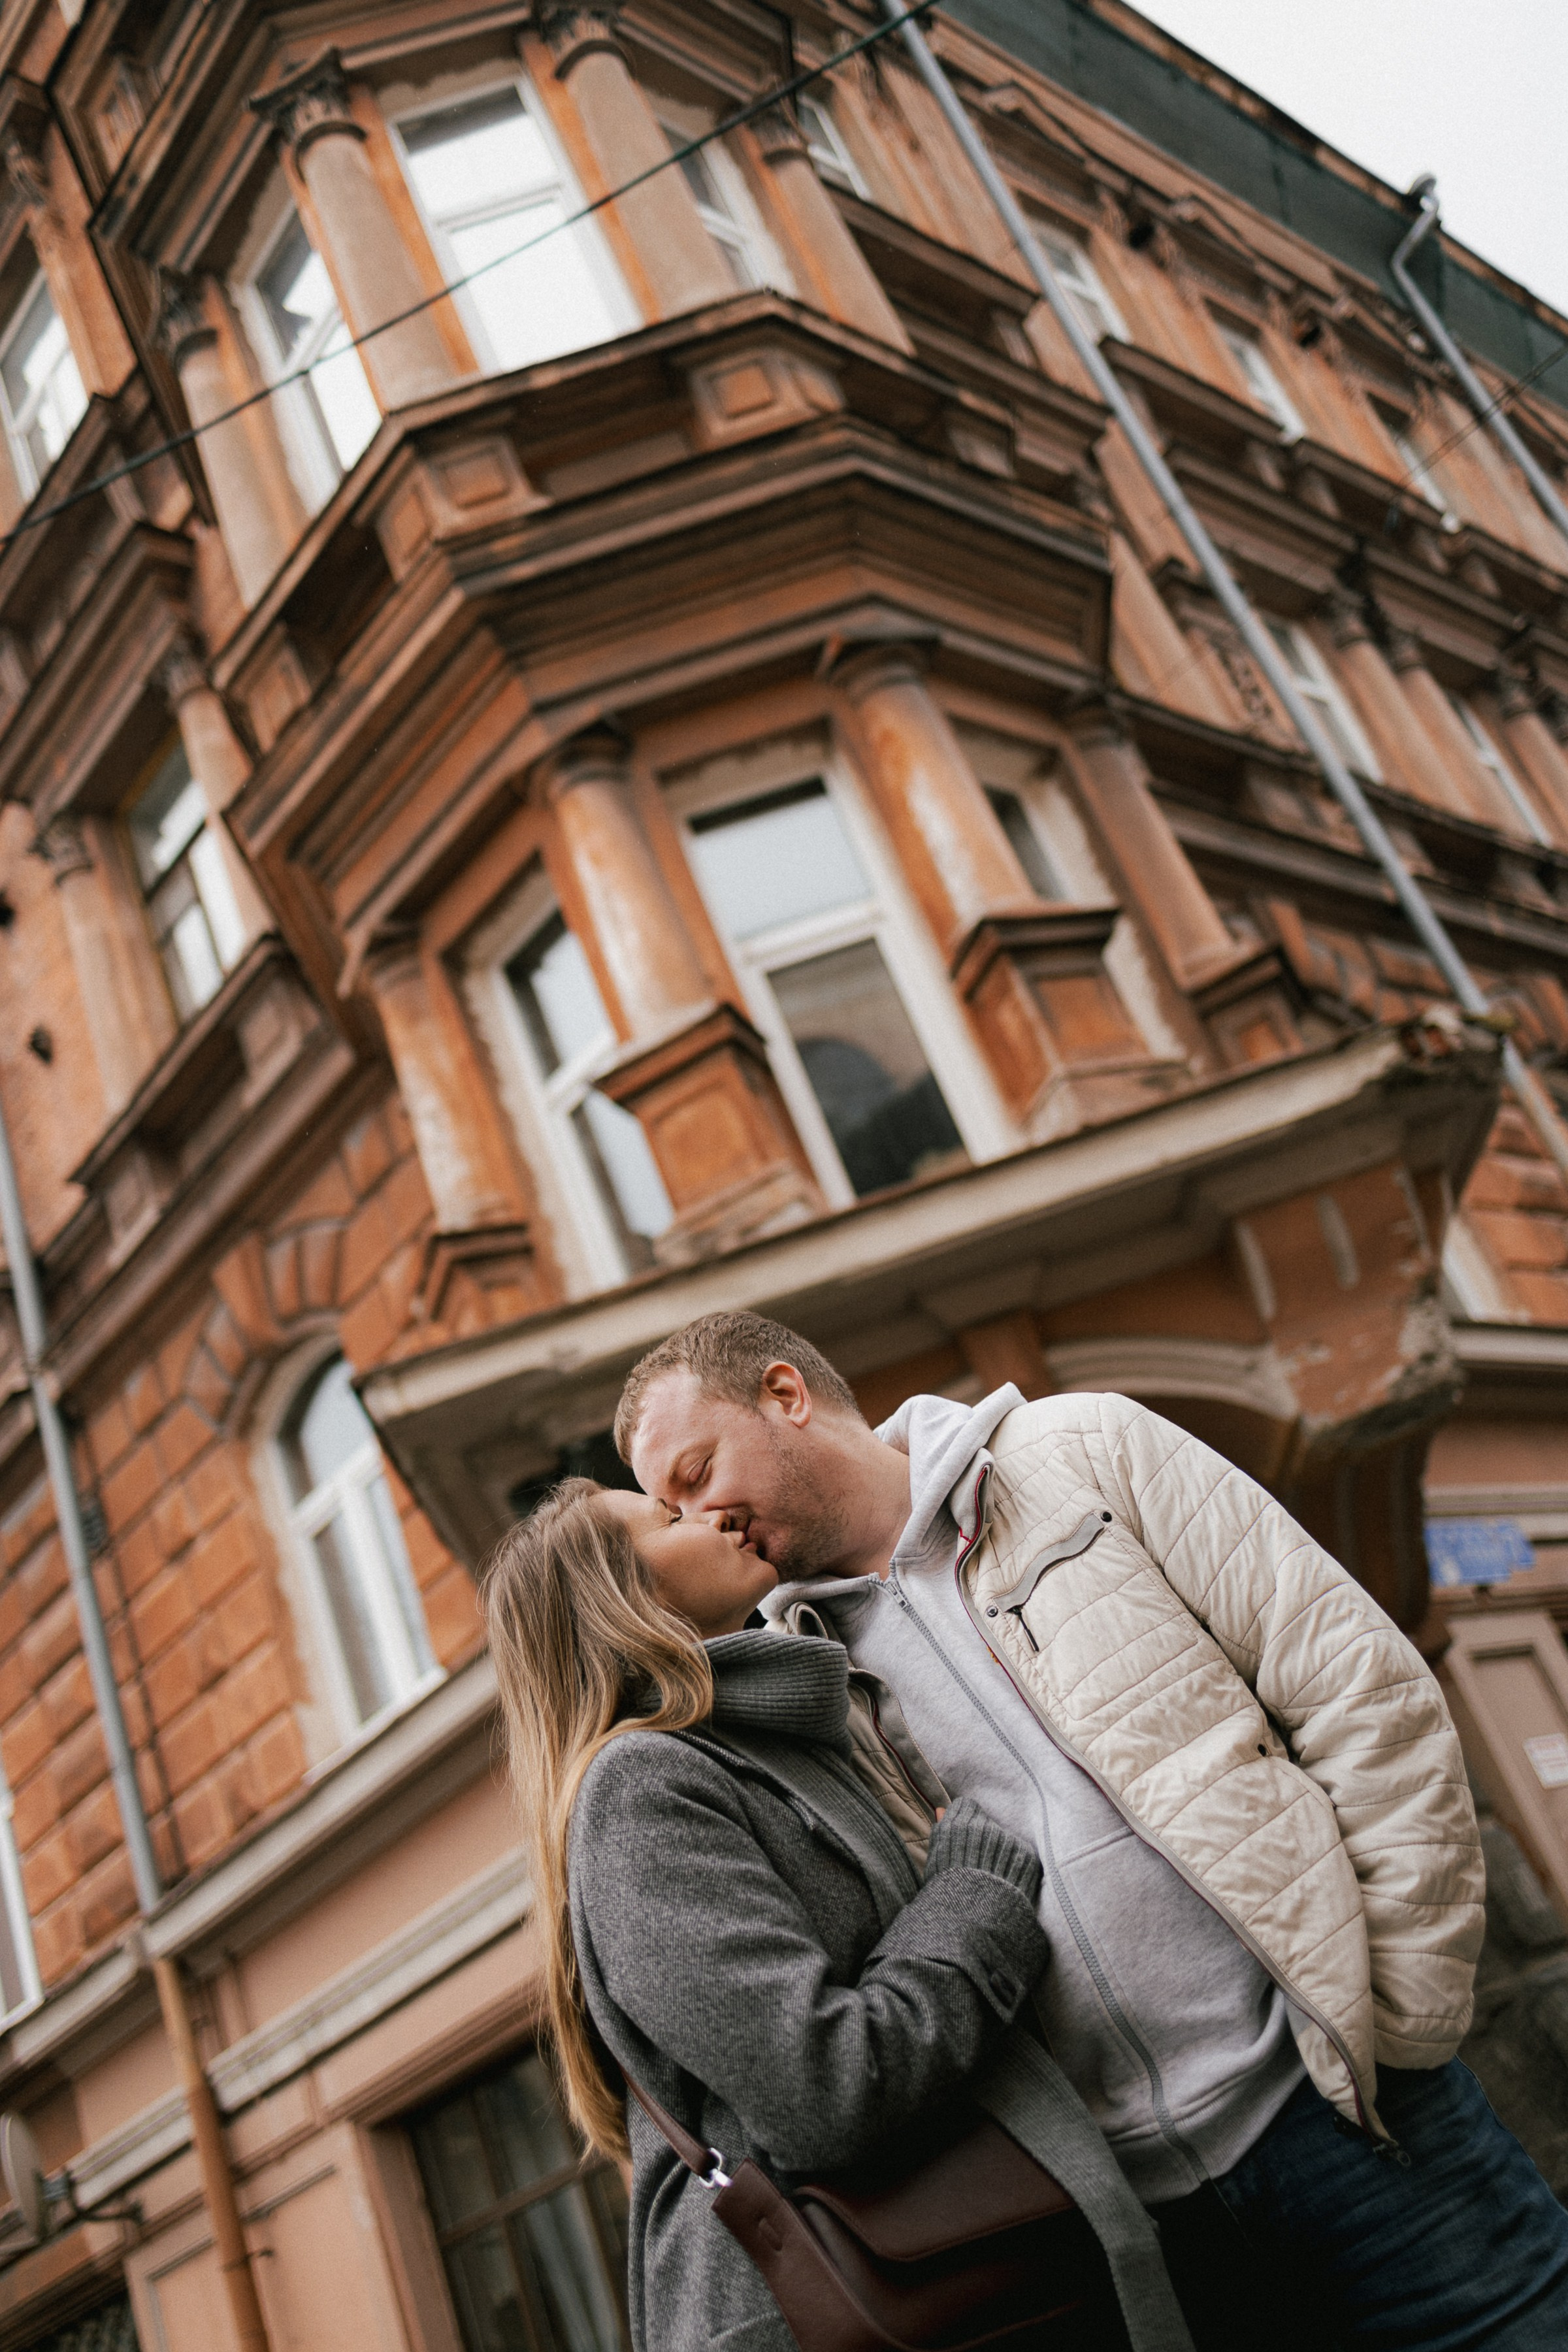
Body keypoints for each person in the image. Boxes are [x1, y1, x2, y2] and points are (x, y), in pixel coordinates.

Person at [617, 1311, 1568, 2351]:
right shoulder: (799, 1682)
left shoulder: (1078, 1451)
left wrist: (1395, 2024)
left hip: (1355, 2127)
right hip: (1141, 2229)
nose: (700, 1520)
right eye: (669, 1506)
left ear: (786, 1395)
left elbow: (1357, 1691)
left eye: (698, 1472)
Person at [483, 1477, 1190, 2352]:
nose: (712, 1514)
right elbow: (822, 2090)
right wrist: (974, 1896)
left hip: (975, 2272)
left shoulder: (771, 1743)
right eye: (669, 1519)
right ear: (622, 1601)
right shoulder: (641, 1788)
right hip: (837, 2308)